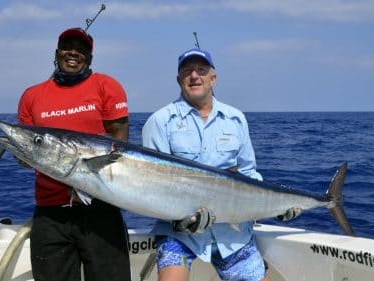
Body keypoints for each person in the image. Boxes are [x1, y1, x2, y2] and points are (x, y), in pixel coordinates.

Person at [142, 48, 275, 281]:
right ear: (178, 80)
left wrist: (279, 206)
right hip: (180, 236)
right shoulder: (160, 121)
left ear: (213, 78)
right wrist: (180, 220)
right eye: (187, 71)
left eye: (201, 70)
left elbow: (248, 173)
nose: (194, 76)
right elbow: (154, 185)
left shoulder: (236, 118)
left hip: (233, 236)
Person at [17, 27, 131, 281]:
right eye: (67, 46)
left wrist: (86, 184)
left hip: (101, 207)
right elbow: (29, 149)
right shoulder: (32, 96)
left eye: (81, 50)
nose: (73, 53)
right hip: (50, 212)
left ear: (89, 58)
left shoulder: (106, 86)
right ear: (56, 53)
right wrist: (22, 157)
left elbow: (119, 146)